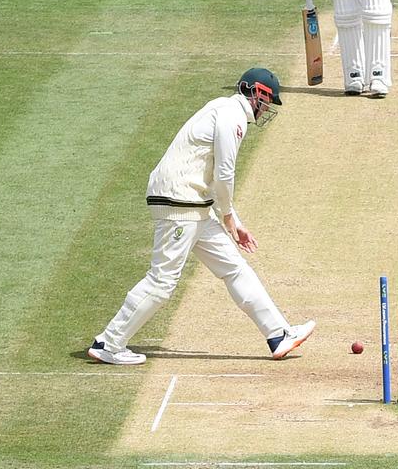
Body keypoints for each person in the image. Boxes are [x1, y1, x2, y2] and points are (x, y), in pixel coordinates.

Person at [87, 68, 316, 365]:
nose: (267, 109)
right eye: (268, 101)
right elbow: (224, 174)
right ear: (257, 93)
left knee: (235, 268)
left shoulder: (223, 108)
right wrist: (229, 217)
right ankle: (110, 343)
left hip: (193, 204)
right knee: (162, 281)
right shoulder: (232, 116)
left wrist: (234, 220)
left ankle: (278, 334)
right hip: (180, 202)